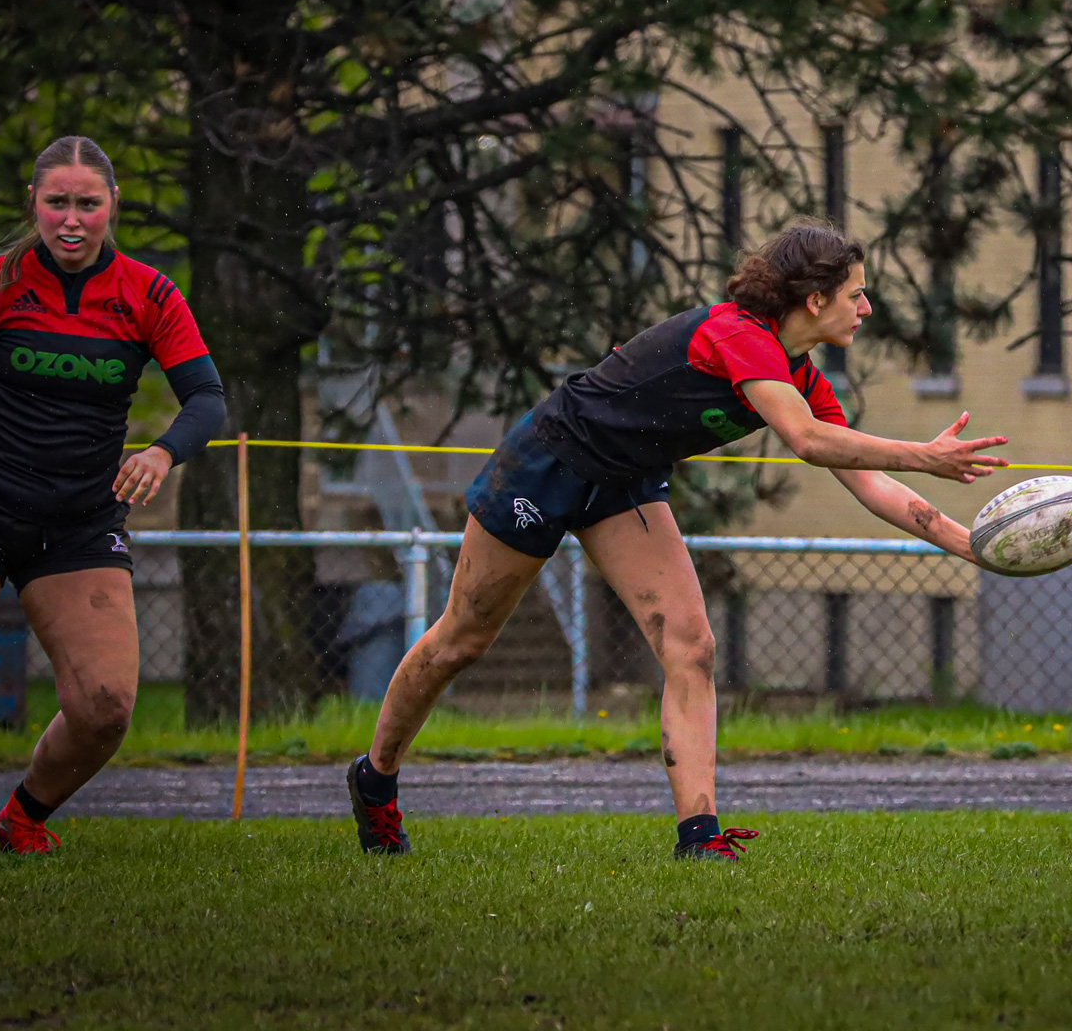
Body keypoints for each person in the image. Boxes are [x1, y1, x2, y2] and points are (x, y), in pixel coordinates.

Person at [348, 220, 1008, 860]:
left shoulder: (800, 374)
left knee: (691, 647)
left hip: (625, 484)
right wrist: (923, 455)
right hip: (549, 461)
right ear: (814, 299)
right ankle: (375, 779)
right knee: (464, 639)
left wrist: (975, 544)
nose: (866, 307)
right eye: (856, 293)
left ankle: (700, 836)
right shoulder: (740, 334)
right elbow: (807, 442)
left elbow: (867, 482)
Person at [0, 135, 227, 855]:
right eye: (57, 203)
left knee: (105, 709)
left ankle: (22, 819)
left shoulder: (150, 293)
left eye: (87, 202)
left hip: (76, 522)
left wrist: (164, 451)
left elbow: (206, 398)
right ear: (34, 206)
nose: (71, 219)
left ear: (113, 206)